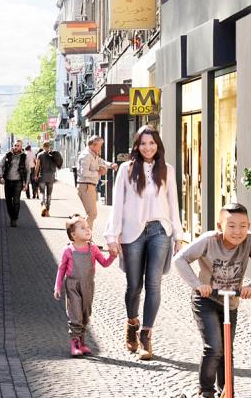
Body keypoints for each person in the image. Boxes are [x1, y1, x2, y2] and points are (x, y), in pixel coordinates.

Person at [170, 203, 251, 398]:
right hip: (206, 300)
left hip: (231, 302)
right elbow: (179, 259)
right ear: (220, 226)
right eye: (232, 226)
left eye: (243, 226)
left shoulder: (250, 241)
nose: (238, 231)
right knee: (214, 348)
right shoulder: (209, 240)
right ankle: (205, 395)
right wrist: (198, 284)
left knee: (227, 351)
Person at [104, 126, 181, 360]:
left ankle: (147, 335)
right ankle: (132, 322)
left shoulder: (166, 170)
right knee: (134, 285)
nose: (148, 147)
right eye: (143, 143)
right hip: (132, 233)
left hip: (160, 230)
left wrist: (178, 235)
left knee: (154, 284)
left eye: (152, 143)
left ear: (158, 145)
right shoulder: (126, 170)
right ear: (137, 145)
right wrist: (112, 236)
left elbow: (173, 204)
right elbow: (118, 205)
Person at [54, 216, 114, 357]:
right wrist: (57, 287)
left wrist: (112, 256)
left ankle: (82, 341)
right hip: (73, 285)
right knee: (75, 313)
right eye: (83, 228)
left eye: (88, 227)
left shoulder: (92, 248)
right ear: (73, 235)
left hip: (88, 285)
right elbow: (61, 269)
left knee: (85, 313)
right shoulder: (68, 250)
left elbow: (104, 263)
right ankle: (74, 343)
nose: (87, 229)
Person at [76, 136, 113, 227]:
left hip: (90, 186)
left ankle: (83, 235)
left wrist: (111, 165)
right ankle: (85, 237)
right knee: (92, 214)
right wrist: (99, 172)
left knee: (91, 214)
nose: (100, 148)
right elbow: (84, 173)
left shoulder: (93, 154)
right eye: (100, 146)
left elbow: (101, 161)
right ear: (93, 145)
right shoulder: (86, 156)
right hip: (86, 187)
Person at [0, 142, 30, 227]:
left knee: (16, 201)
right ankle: (12, 216)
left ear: (21, 147)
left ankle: (14, 219)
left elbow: (28, 171)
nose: (16, 147)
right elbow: (1, 165)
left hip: (18, 182)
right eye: (15, 145)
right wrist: (1, 176)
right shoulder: (8, 155)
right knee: (8, 201)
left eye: (18, 146)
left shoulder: (24, 157)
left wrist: (26, 184)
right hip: (8, 181)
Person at [37, 140, 64, 214]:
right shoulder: (54, 155)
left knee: (42, 192)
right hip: (51, 176)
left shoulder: (40, 155)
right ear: (49, 147)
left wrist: (35, 175)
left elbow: (37, 166)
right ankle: (48, 208)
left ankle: (42, 205)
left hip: (42, 176)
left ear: (43, 146)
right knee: (49, 193)